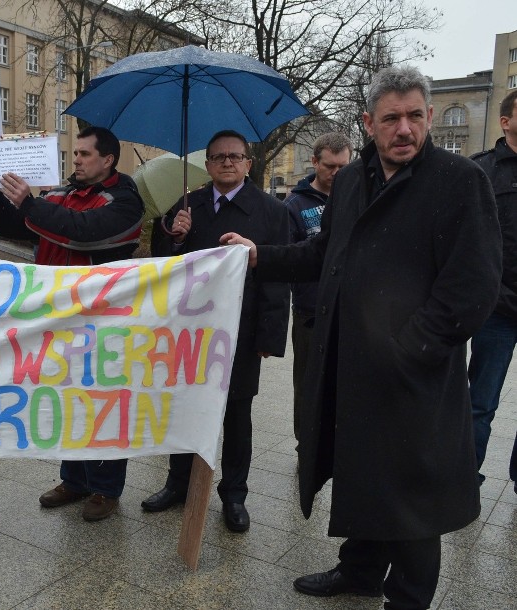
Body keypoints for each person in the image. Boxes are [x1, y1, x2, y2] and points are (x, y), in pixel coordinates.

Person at [222, 66, 501, 609]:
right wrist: (258, 256)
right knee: (365, 473)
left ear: (425, 119)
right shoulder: (350, 180)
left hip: (414, 371)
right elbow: (324, 253)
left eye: (415, 116)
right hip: (352, 364)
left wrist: (410, 349)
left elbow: (472, 285)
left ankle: (409, 596)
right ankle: (361, 570)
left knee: (413, 495)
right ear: (368, 123)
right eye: (392, 118)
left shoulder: (459, 180)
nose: (405, 129)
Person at [0, 126, 143, 521]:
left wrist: (31, 205)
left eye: (85, 154)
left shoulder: (124, 200)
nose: (76, 160)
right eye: (74, 154)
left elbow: (82, 234)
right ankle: (74, 479)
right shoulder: (59, 193)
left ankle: (105, 488)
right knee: (67, 399)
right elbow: (12, 226)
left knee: (101, 401)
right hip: (56, 319)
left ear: (108, 160)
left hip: (103, 322)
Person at [140, 130, 289, 533]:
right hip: (191, 333)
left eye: (235, 156)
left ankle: (234, 495)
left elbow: (278, 277)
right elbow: (162, 268)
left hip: (240, 332)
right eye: (219, 156)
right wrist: (175, 237)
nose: (227, 162)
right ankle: (178, 483)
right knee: (185, 409)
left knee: (237, 417)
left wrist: (270, 337)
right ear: (207, 164)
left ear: (248, 163)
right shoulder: (187, 206)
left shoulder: (270, 211)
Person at [284, 132, 352, 447]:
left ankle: (340, 442)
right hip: (311, 310)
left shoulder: (357, 196)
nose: (337, 173)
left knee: (347, 383)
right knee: (309, 384)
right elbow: (290, 257)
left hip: (351, 308)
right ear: (314, 162)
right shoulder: (294, 205)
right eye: (330, 166)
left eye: (343, 166)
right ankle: (307, 443)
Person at [468, 89, 517, 494]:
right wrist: (495, 293)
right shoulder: (480, 171)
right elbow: (470, 245)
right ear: (505, 121)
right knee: (480, 402)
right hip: (495, 309)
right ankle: (464, 478)